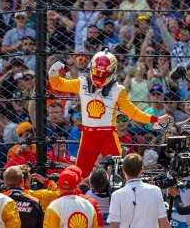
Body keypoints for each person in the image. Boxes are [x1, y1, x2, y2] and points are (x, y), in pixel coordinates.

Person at [48, 49, 171, 178]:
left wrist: (156, 119)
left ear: (112, 72)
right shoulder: (82, 82)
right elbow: (58, 84)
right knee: (81, 175)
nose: (99, 76)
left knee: (118, 176)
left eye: (103, 73)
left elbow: (133, 112)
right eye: (97, 72)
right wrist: (53, 71)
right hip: (88, 136)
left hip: (107, 136)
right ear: (92, 68)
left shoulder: (118, 90)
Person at [107, 153, 171, 228]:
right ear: (142, 170)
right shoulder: (155, 190)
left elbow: (114, 225)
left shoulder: (116, 195)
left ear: (123, 170)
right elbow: (164, 223)